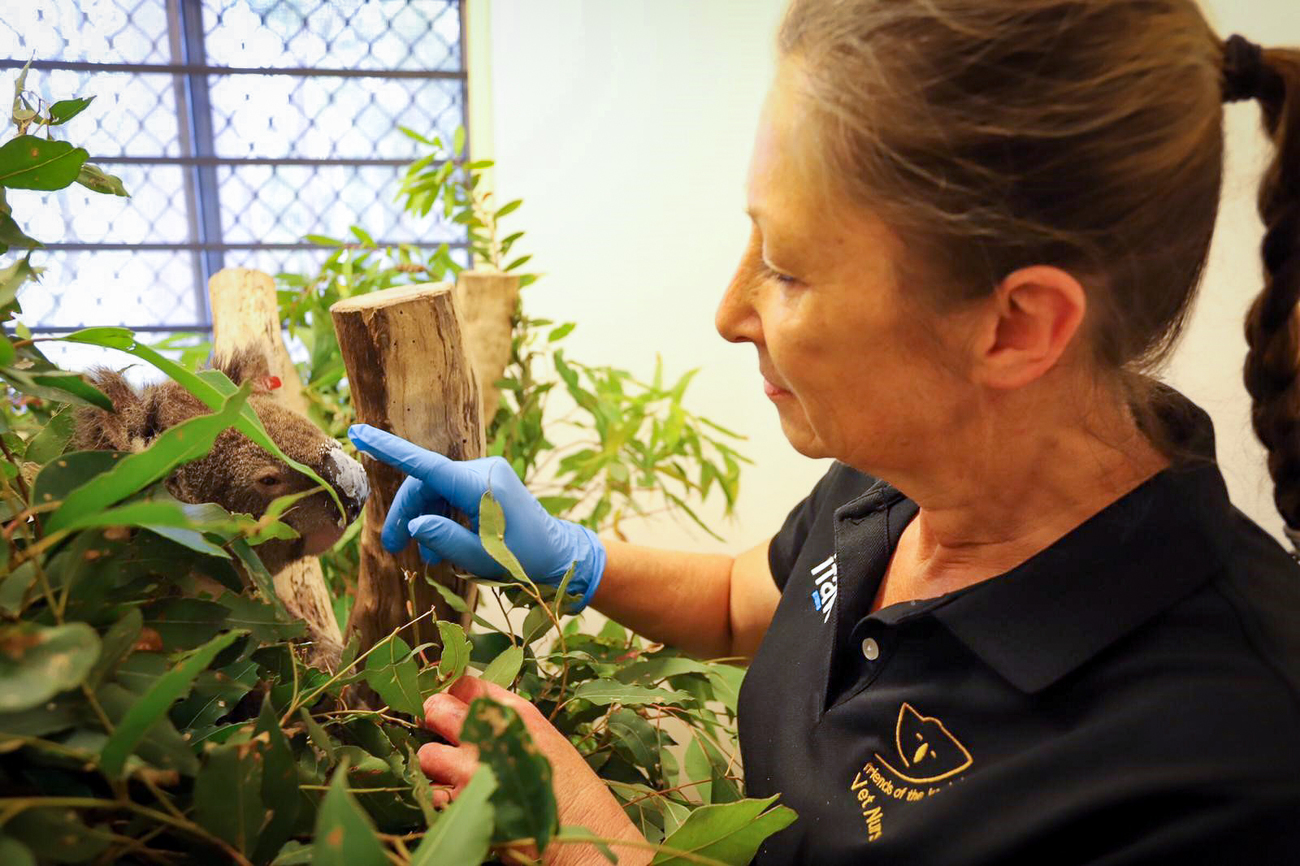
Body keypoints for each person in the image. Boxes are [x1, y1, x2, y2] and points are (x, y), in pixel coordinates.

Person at [349, 1, 1300, 862]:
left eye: (789, 268)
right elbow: (740, 602)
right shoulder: (906, 473)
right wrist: (571, 560)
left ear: (1015, 326)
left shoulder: (1225, 769)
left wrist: (587, 847)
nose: (729, 311)